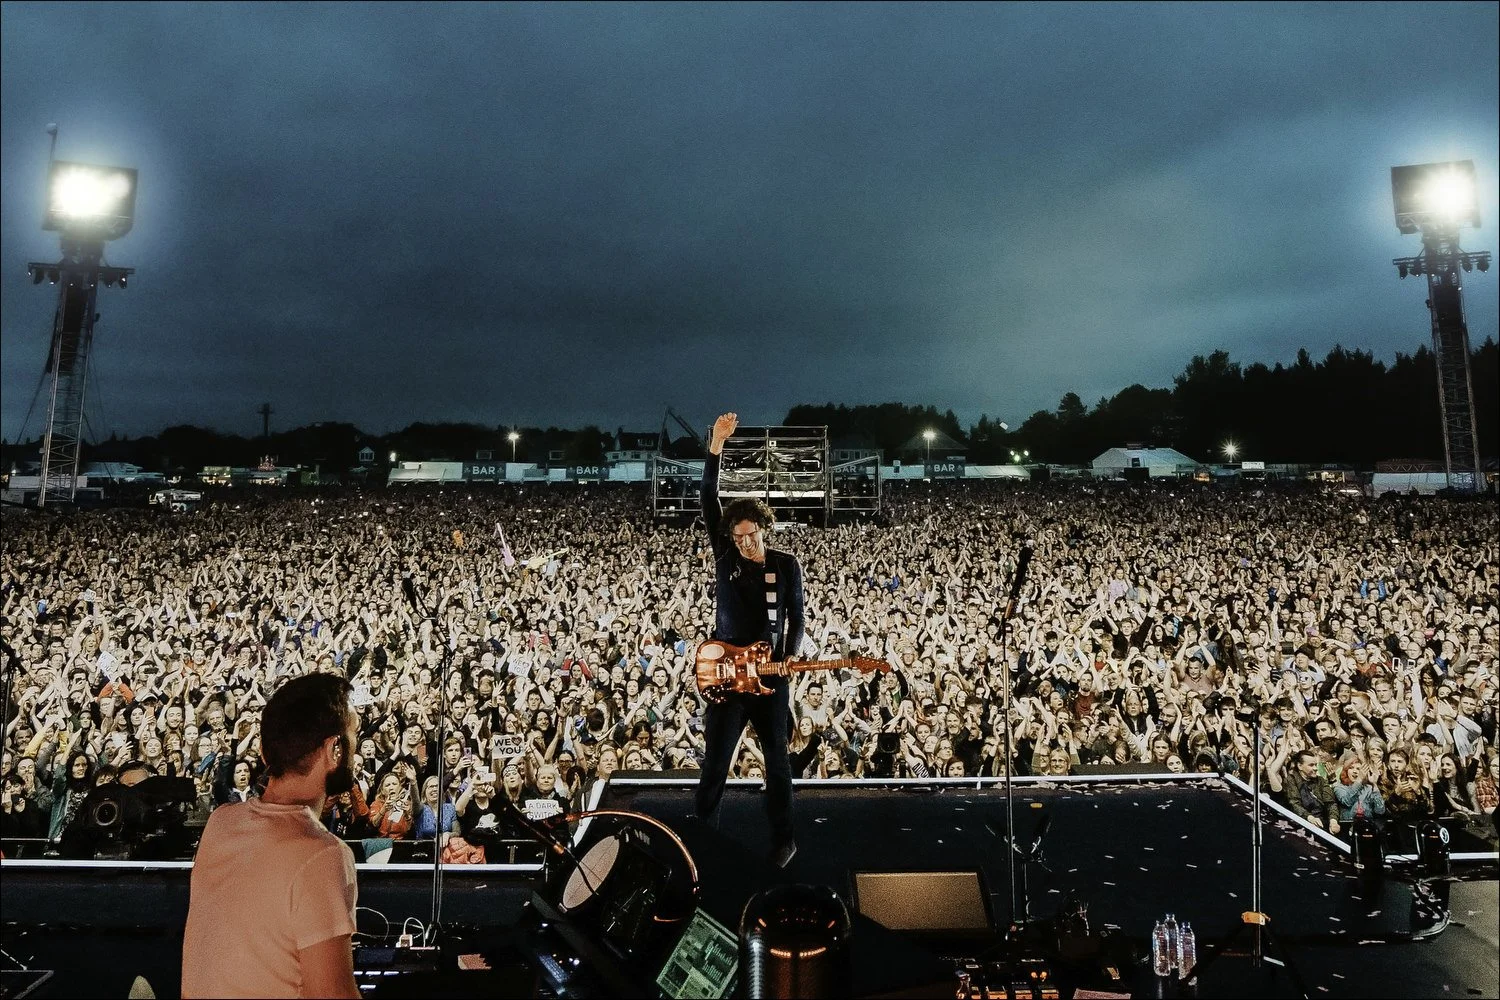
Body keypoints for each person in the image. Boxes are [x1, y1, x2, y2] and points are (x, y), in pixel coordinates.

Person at [182, 672, 360, 999]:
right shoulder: (323, 854)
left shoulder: (220, 824)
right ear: (335, 749)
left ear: (264, 753)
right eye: (354, 734)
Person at [694, 411, 804, 868]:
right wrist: (715, 446)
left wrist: (788, 658)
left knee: (777, 761)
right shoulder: (724, 553)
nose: (744, 543)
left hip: (769, 676)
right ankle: (701, 838)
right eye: (737, 537)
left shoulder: (786, 564)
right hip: (727, 672)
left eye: (751, 535)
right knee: (716, 761)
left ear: (763, 529)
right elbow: (707, 496)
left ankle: (782, 838)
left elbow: (796, 618)